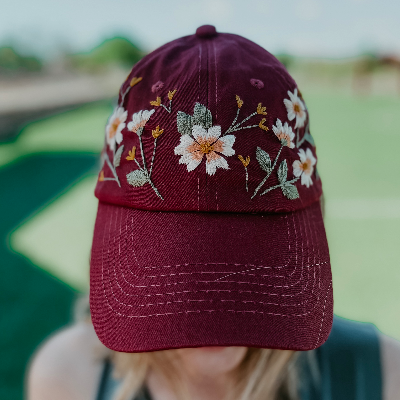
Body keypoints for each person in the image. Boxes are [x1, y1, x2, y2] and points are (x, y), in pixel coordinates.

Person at [27, 25, 400, 400]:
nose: (211, 316)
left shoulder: (383, 375)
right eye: (171, 263)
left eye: (251, 253)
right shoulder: (66, 378)